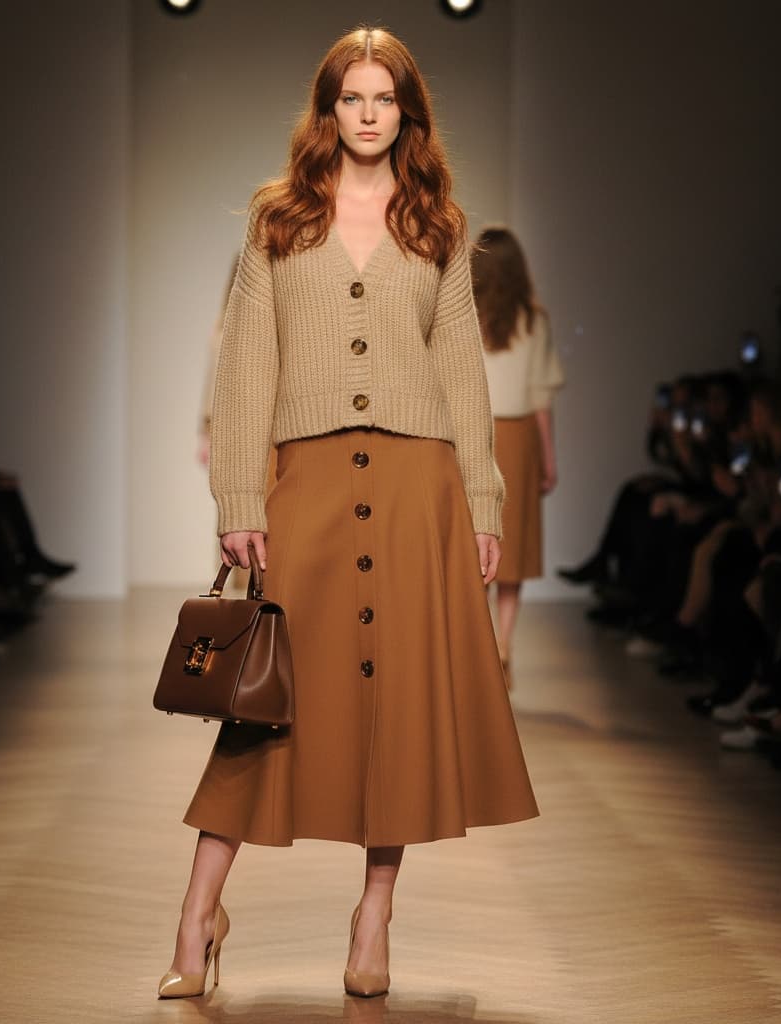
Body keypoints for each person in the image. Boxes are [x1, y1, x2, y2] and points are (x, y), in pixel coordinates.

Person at [159, 25, 539, 1001]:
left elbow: (462, 376)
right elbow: (248, 364)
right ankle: (197, 914)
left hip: (418, 490)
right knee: (263, 703)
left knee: (396, 712)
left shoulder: (438, 226)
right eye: (350, 98)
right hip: (311, 485)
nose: (367, 115)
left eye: (384, 99)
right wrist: (240, 495)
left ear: (406, 112)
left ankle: (375, 914)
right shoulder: (276, 218)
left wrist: (484, 499)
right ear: (326, 109)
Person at [472, 227, 563, 682]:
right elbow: (541, 398)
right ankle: (505, 644)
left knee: (478, 544)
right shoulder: (534, 319)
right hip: (521, 437)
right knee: (516, 547)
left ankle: (485, 647)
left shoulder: (465, 315)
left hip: (475, 436)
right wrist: (549, 459)